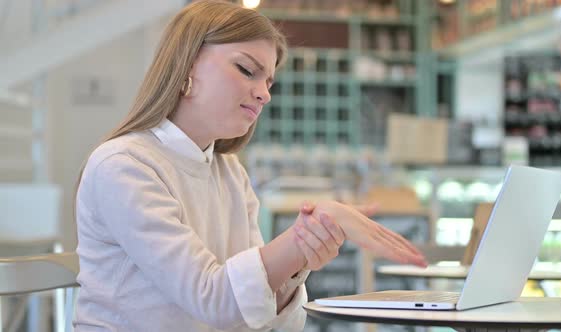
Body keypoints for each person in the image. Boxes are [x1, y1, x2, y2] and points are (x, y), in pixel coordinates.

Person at [73, 1, 427, 331]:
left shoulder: (228, 172)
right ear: (187, 65)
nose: (265, 94)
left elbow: (264, 321)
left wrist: (299, 259)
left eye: (269, 81)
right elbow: (212, 298)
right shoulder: (123, 165)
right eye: (247, 70)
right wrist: (301, 239)